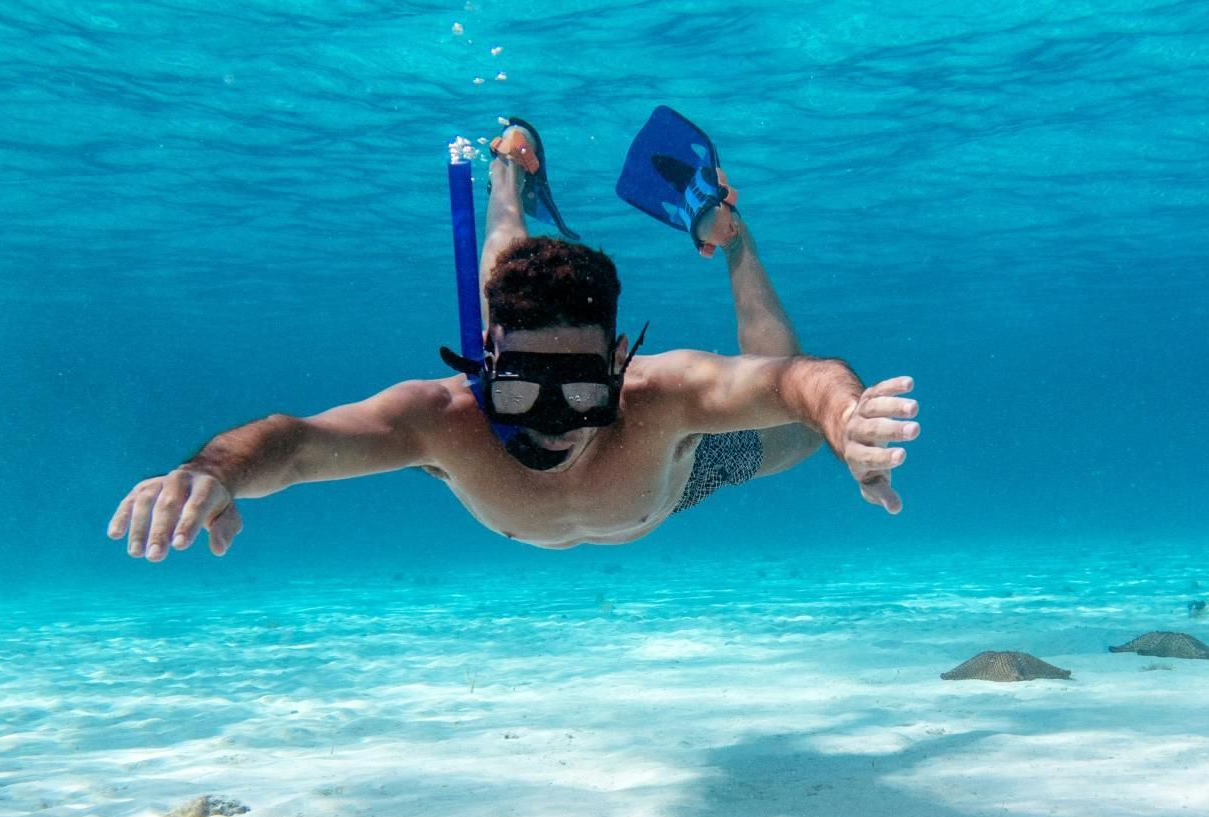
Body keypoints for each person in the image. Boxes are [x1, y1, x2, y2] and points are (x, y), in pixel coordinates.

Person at [107, 118, 920, 560]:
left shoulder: (658, 400)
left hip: (678, 474)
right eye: (522, 387)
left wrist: (841, 418)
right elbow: (295, 442)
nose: (555, 420)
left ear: (618, 367)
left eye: (583, 391)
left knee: (794, 435)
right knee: (508, 290)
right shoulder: (445, 416)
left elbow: (791, 379)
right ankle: (507, 174)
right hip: (508, 401)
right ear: (485, 368)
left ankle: (730, 234)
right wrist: (211, 471)